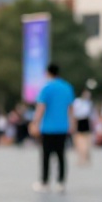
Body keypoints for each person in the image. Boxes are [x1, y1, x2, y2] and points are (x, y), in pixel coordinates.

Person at [32, 64, 73, 193]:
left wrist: (35, 123)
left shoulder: (47, 88)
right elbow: (71, 108)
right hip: (63, 127)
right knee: (61, 156)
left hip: (48, 128)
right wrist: (72, 124)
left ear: (48, 73)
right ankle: (61, 182)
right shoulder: (67, 87)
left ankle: (45, 182)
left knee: (46, 156)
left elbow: (41, 108)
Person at [71, 89, 95, 165]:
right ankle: (83, 156)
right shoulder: (79, 102)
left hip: (84, 121)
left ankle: (83, 156)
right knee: (81, 140)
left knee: (83, 140)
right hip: (82, 121)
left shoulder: (86, 103)